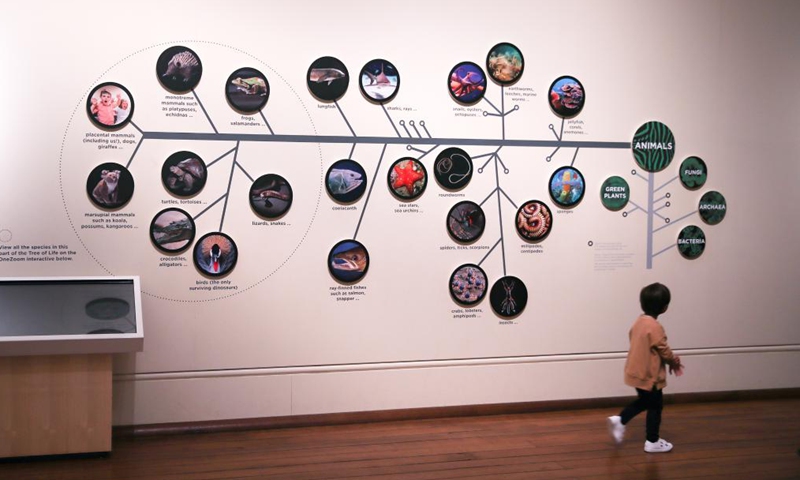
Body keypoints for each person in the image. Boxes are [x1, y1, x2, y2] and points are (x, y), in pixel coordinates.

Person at [607, 282, 684, 453]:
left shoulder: (638, 322)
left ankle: (621, 421)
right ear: (665, 308)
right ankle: (652, 440)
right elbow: (663, 349)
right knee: (655, 406)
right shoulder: (655, 326)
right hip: (650, 376)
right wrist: (673, 361)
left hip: (635, 372)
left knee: (645, 402)